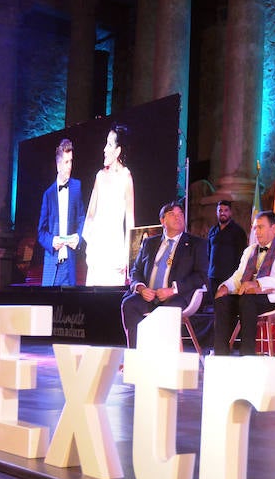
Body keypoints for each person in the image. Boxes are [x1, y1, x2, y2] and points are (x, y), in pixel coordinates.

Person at [120, 201, 208, 348]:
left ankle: (165, 358)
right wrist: (141, 288)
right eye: (172, 214)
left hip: (178, 296)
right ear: (162, 220)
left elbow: (201, 276)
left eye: (180, 214)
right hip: (150, 295)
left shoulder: (196, 244)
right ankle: (135, 355)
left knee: (166, 310)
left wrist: (172, 290)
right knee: (129, 304)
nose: (178, 217)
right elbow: (136, 271)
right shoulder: (149, 243)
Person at [213, 211, 275, 356]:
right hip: (246, 296)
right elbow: (238, 276)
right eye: (254, 228)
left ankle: (247, 354)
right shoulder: (250, 250)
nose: (256, 232)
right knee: (222, 301)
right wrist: (225, 286)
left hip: (274, 298)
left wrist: (258, 284)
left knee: (248, 301)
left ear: (274, 228)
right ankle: (220, 355)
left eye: (260, 227)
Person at [83, 123, 135, 285]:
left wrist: (127, 256)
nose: (105, 149)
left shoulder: (126, 177)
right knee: (90, 300)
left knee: (109, 300)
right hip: (97, 248)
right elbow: (90, 213)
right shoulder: (100, 176)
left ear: (118, 150)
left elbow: (130, 220)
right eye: (106, 143)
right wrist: (89, 242)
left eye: (109, 144)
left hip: (114, 251)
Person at [37, 139, 86, 286]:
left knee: (69, 307)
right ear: (58, 165)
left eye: (71, 161)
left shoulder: (76, 187)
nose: (70, 166)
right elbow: (41, 232)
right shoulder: (48, 194)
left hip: (69, 264)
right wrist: (52, 241)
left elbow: (82, 218)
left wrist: (78, 237)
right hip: (52, 264)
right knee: (48, 307)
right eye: (66, 162)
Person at [207, 200, 248, 298]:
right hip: (213, 276)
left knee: (227, 307)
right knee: (215, 308)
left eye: (226, 210)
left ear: (230, 212)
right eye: (220, 210)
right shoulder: (212, 230)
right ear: (216, 212)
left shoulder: (238, 231)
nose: (223, 213)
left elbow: (242, 255)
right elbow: (208, 252)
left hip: (230, 277)